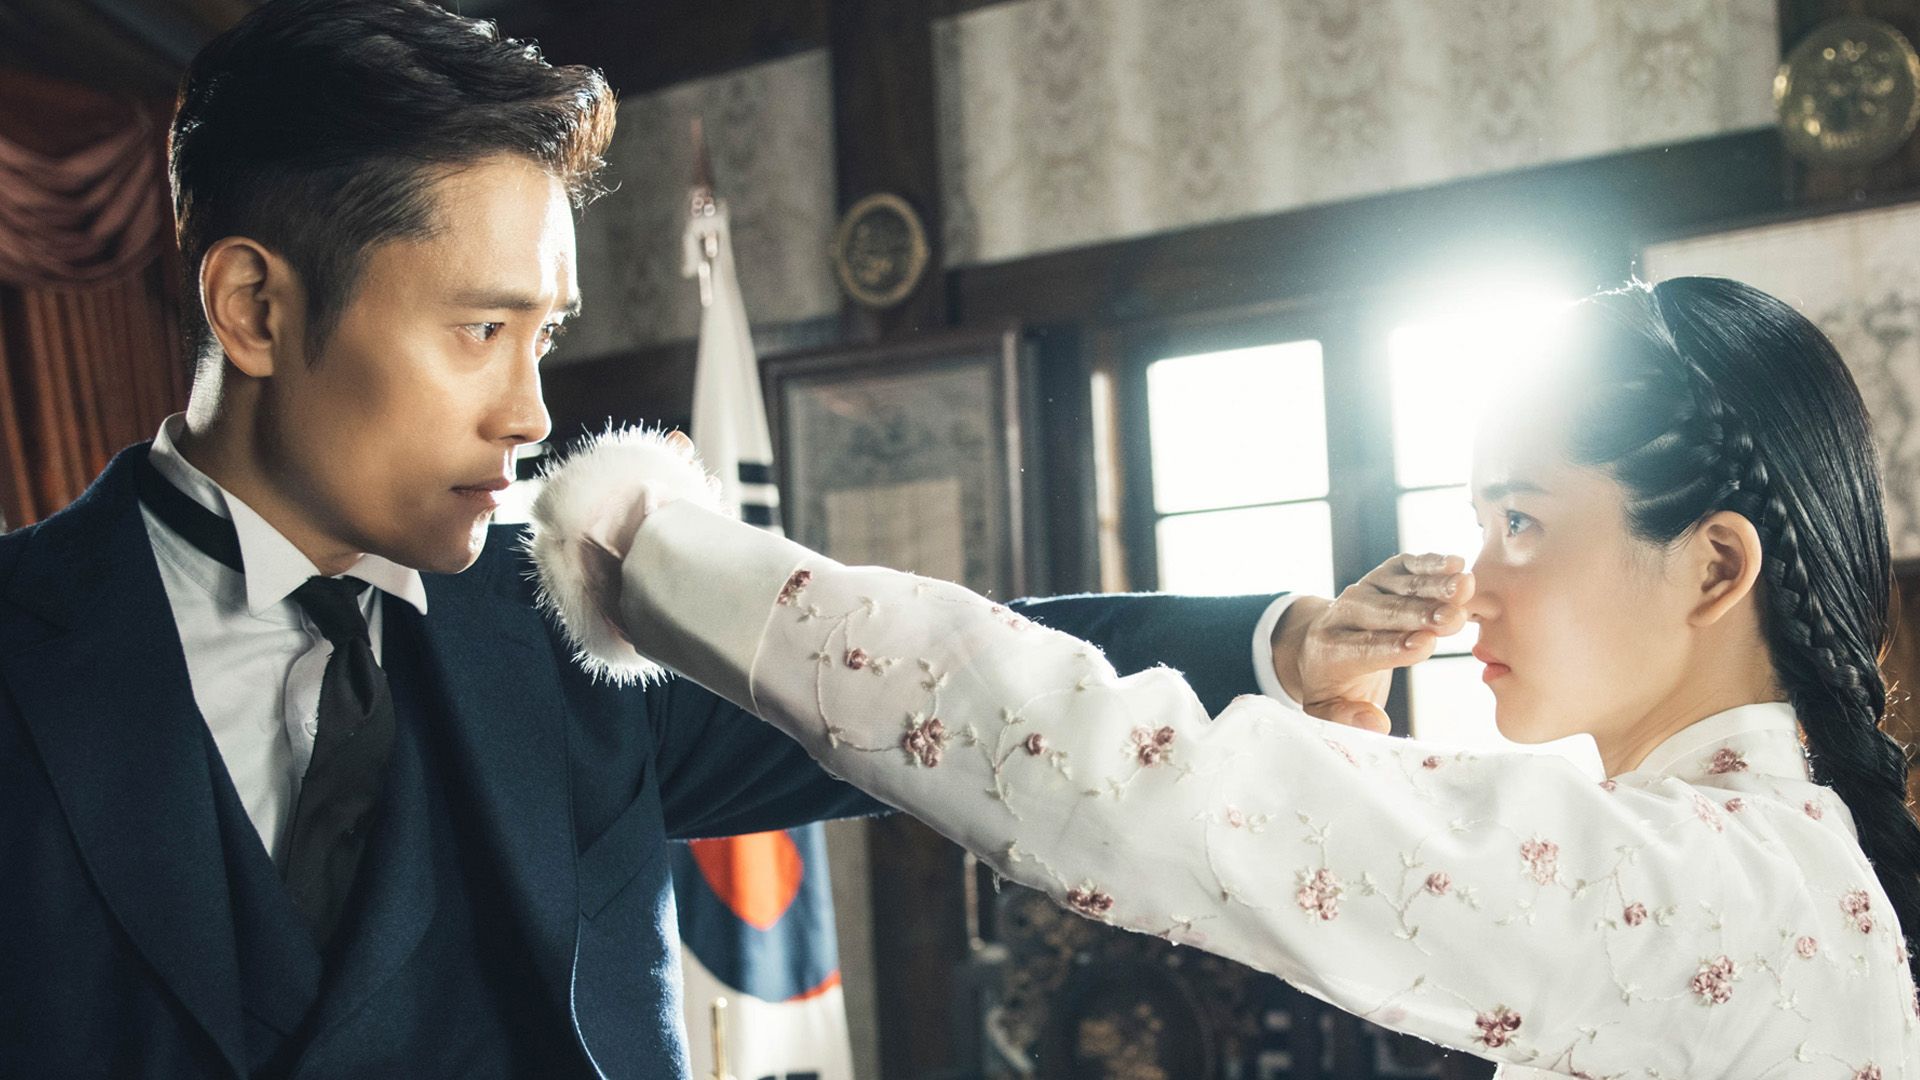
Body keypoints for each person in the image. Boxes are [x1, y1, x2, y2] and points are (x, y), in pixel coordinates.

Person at [0, 1, 1452, 1076]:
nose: (533, 412)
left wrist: (1273, 645)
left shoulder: (580, 613)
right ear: (255, 307)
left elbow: (944, 681)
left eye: (544, 335)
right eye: (480, 330)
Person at [546, 276, 1920, 1077]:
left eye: (1522, 521)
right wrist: (1344, 767)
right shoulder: (1766, 864)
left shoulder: (1698, 885)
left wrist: (664, 556)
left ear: (1714, 565)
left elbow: (1123, 782)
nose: (1476, 575)